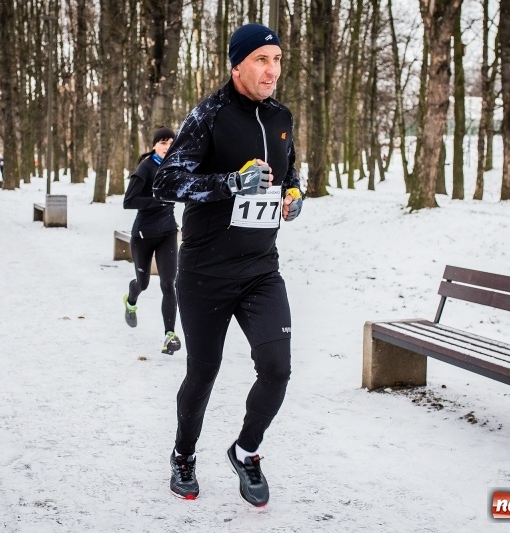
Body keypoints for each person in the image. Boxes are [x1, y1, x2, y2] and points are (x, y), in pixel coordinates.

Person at [153, 23, 304, 507]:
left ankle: (246, 450)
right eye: (262, 60)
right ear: (237, 65)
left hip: (261, 269)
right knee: (203, 372)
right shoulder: (209, 115)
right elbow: (167, 182)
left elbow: (290, 171)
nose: (272, 71)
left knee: (277, 368)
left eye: (277, 60)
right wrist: (230, 184)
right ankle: (183, 454)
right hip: (206, 272)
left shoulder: (282, 116)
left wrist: (294, 194)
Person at [122, 126, 182, 355]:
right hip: (143, 235)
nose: (167, 147)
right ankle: (131, 299)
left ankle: (169, 336)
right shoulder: (145, 168)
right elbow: (129, 201)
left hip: (167, 233)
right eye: (163, 143)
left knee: (168, 284)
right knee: (143, 283)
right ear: (155, 145)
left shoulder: (175, 166)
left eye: (171, 143)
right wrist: (158, 199)